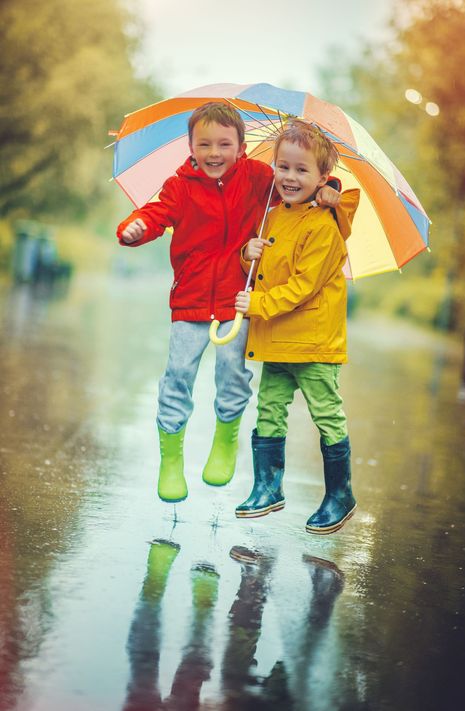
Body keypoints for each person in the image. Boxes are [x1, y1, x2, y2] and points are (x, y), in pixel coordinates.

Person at [117, 103, 342, 504]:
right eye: (205, 144)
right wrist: (135, 228)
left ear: (242, 147)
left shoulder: (259, 179)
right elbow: (156, 213)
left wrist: (332, 191)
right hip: (190, 299)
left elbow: (298, 189)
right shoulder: (180, 186)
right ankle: (171, 460)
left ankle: (225, 439)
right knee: (178, 375)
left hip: (237, 301)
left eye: (225, 144)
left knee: (232, 374)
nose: (215, 152)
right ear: (190, 146)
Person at [234, 119, 360, 534]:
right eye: (283, 167)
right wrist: (246, 253)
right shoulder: (272, 217)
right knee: (269, 408)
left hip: (313, 341)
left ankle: (340, 495)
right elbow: (264, 271)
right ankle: (268, 487)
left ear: (324, 178)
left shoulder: (325, 225)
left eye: (302, 170)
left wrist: (258, 305)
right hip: (276, 339)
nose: (289, 177)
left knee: (326, 414)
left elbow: (304, 287)